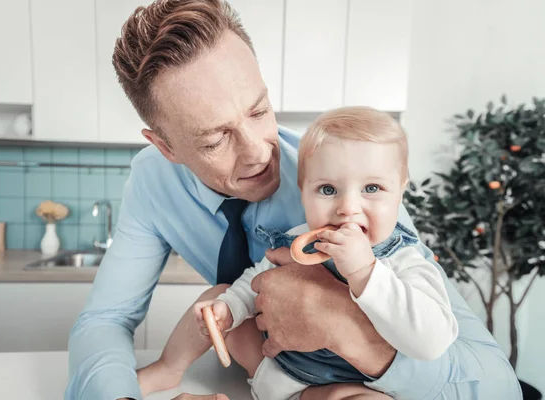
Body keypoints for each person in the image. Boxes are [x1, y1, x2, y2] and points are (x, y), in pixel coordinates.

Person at [65, 1, 522, 399]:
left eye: (259, 110)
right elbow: (106, 318)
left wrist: (346, 329)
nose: (257, 152)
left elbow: (497, 385)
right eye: (215, 139)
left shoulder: (349, 192)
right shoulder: (152, 180)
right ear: (165, 147)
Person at [137, 106, 460, 400]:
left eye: (372, 189)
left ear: (400, 191)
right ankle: (168, 367)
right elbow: (256, 283)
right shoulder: (297, 242)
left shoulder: (405, 260)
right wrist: (229, 309)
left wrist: (364, 272)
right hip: (280, 373)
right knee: (218, 295)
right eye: (328, 190)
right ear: (304, 192)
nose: (347, 208)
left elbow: (430, 343)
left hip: (354, 387)